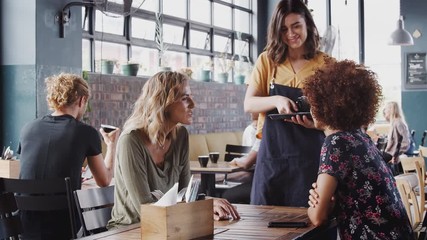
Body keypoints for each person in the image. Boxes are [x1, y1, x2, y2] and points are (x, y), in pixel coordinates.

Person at [107, 71, 240, 228]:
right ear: (163, 103)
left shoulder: (181, 135)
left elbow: (185, 193)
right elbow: (145, 210)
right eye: (185, 98)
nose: (193, 104)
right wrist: (203, 206)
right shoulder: (131, 140)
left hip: (169, 228)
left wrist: (208, 203)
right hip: (130, 230)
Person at [305, 59, 414, 239]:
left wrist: (314, 207)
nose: (310, 109)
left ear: (324, 106)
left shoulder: (335, 143)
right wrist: (329, 204)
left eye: (313, 103)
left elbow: (317, 217)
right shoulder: (360, 137)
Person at [244, 0, 331, 206]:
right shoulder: (267, 60)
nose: (291, 33)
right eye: (283, 29)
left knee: (312, 226)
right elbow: (249, 104)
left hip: (311, 158)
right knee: (264, 226)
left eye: (296, 26)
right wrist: (276, 99)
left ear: (308, 24)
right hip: (273, 158)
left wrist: (316, 123)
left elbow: (335, 118)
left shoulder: (326, 64)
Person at [17, 73, 120, 239]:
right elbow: (104, 181)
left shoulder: (28, 129)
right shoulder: (85, 132)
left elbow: (34, 168)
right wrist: (111, 145)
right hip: (63, 226)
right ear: (81, 100)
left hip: (24, 225)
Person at [382, 101, 413, 174]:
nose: (385, 112)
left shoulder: (398, 123)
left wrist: (396, 155)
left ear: (391, 110)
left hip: (392, 154)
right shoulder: (394, 122)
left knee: (376, 160)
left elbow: (406, 143)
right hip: (390, 153)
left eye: (386, 110)